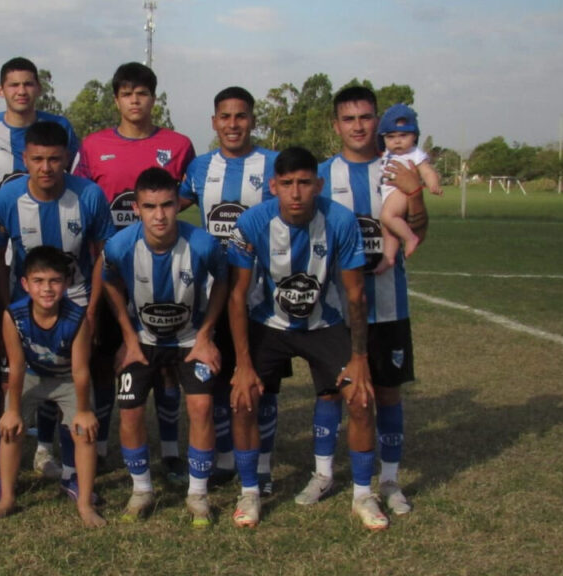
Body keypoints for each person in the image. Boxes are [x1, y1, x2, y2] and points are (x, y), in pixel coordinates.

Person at [227, 146, 386, 531]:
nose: (296, 193)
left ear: (318, 184)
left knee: (361, 398)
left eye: (303, 183)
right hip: (269, 323)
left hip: (324, 323)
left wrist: (360, 358)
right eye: (287, 184)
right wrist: (244, 365)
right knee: (244, 399)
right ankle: (249, 490)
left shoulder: (341, 221)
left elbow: (355, 295)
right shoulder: (251, 223)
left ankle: (363, 494)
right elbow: (236, 295)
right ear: (273, 186)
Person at [303, 87, 427, 516]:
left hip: (390, 306)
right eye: (349, 118)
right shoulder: (318, 177)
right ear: (335, 125)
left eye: (366, 117)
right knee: (330, 395)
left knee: (388, 395)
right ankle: (322, 474)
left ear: (378, 121)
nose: (358, 126)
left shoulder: (398, 169)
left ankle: (389, 480)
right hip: (333, 310)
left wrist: (415, 195)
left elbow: (420, 230)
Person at [74, 62, 197, 481]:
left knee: (163, 360)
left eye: (142, 93)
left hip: (162, 266)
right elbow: (82, 195)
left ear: (153, 97)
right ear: (116, 99)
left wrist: (158, 225)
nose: (135, 100)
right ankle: (106, 446)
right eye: (127, 93)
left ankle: (169, 450)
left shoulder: (178, 145)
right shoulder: (93, 146)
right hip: (110, 270)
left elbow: (189, 194)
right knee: (112, 357)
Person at [0, 120, 114, 501]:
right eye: (37, 159)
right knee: (21, 381)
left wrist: (92, 307)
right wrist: (9, 309)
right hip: (27, 306)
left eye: (55, 159)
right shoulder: (7, 199)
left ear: (68, 159)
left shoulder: (88, 195)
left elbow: (105, 253)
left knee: (74, 380)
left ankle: (72, 472)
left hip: (77, 305)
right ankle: (14, 473)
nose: (45, 167)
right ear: (25, 158)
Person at [0, 57, 80, 482]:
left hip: (52, 271)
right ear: (1, 90)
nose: (22, 91)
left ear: (38, 88)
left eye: (29, 84)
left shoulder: (59, 127)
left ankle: (46, 447)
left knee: (56, 356)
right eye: (13, 84)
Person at [102, 167, 226, 528]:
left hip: (190, 338)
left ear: (179, 204)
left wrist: (206, 336)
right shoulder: (120, 246)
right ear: (136, 208)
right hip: (142, 340)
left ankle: (197, 494)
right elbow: (109, 283)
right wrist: (127, 338)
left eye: (168, 205)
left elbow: (223, 283)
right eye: (150, 206)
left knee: (201, 407)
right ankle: (142, 489)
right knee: (129, 412)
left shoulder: (203, 244)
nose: (160, 215)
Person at [179, 86, 279, 488]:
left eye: (241, 116)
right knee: (218, 379)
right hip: (214, 296)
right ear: (214, 122)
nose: (233, 124)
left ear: (253, 120)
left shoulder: (273, 164)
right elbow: (171, 204)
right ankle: (223, 458)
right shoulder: (201, 168)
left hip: (263, 297)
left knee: (263, 384)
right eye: (225, 116)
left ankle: (264, 467)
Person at [0, 246, 104, 527]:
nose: (47, 289)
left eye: (54, 281)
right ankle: (7, 498)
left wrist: (83, 411)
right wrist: (12, 410)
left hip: (66, 378)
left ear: (67, 283)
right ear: (25, 284)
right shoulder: (14, 315)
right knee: (10, 426)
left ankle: (84, 503)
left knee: (85, 431)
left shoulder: (77, 318)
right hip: (33, 374)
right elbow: (17, 364)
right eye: (38, 281)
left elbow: (81, 369)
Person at [376, 103, 443, 268]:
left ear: (414, 136)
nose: (397, 141)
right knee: (388, 227)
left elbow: (427, 171)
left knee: (388, 217)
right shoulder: (387, 153)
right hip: (389, 192)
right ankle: (389, 257)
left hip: (400, 192)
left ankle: (410, 238)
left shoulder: (414, 153)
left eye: (403, 135)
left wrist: (433, 185)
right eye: (390, 137)